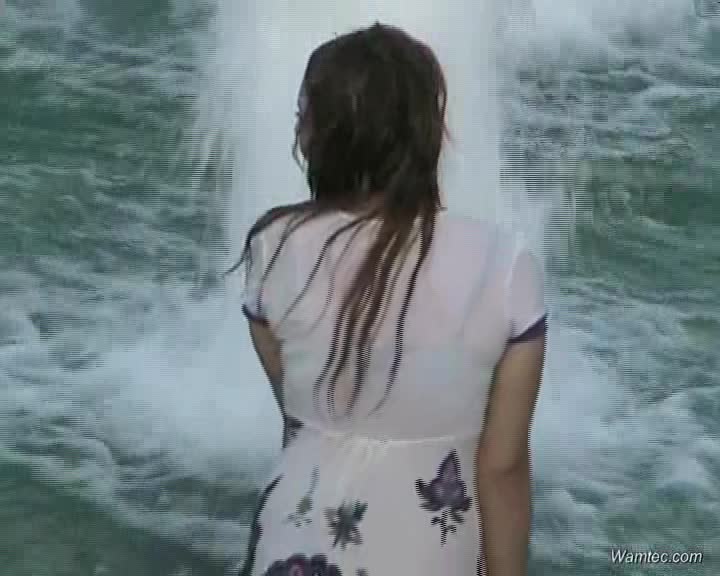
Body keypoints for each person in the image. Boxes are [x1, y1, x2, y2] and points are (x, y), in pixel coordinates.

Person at [229, 22, 548, 576]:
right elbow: (502, 467)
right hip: (428, 550)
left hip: (291, 537)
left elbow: (300, 417)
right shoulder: (503, 266)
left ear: (319, 135)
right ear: (430, 133)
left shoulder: (273, 247)